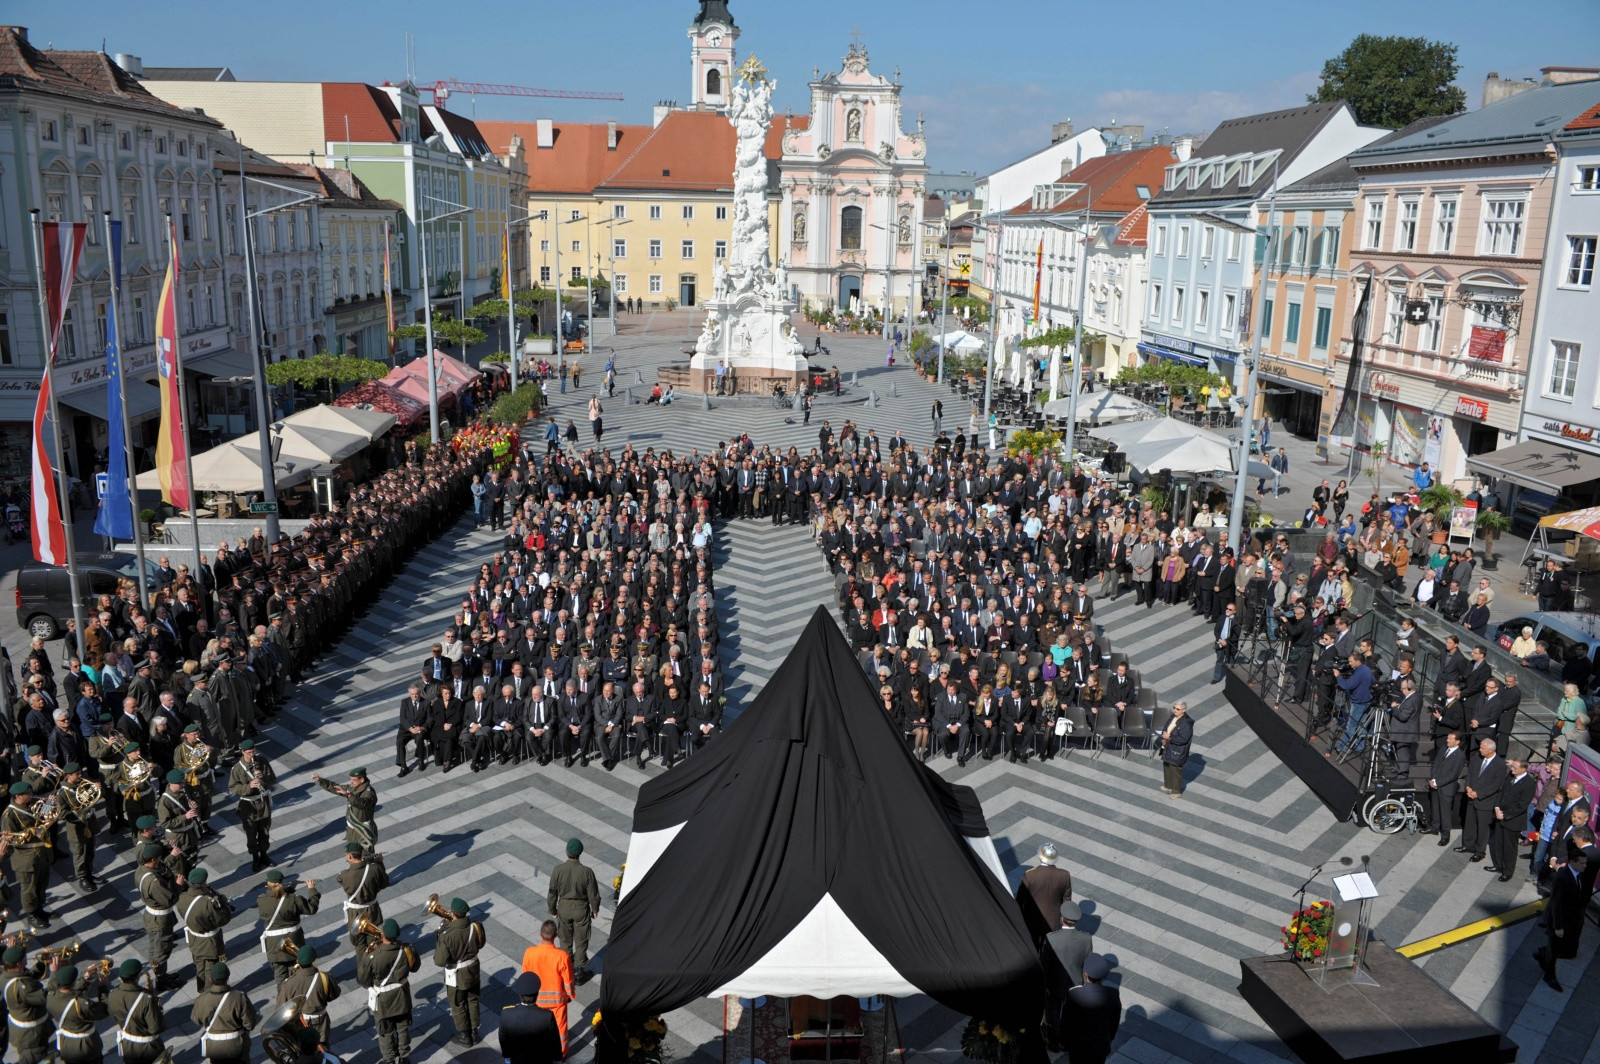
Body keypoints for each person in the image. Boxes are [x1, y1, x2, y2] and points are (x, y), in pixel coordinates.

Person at [356, 918, 420, 1064]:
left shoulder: (373, 956)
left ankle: (389, 1059)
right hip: (402, 995)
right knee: (403, 1027)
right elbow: (415, 967)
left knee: (385, 1031)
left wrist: (365, 957)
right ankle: (404, 1057)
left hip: (383, 999)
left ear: (383, 934)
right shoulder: (407, 949)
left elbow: (363, 981)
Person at [1040, 899, 1093, 1050]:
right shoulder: (1086, 939)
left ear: (1062, 918)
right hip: (1075, 984)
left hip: (1054, 984)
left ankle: (1053, 1042)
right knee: (1071, 1015)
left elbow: (1045, 965)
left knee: (1053, 1013)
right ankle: (1068, 1041)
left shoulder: (1051, 938)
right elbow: (1087, 964)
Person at [1534, 847, 1589, 992]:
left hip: (1570, 919)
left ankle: (1542, 953)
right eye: (1582, 863)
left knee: (1557, 946)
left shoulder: (1578, 874)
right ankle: (1549, 975)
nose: (1585, 866)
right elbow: (1556, 904)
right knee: (1555, 949)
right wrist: (1558, 926)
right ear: (1572, 862)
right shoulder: (1563, 878)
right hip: (1559, 921)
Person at [548, 837, 602, 983]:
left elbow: (552, 892)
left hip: (564, 908)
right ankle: (579, 973)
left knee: (565, 940)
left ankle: (566, 969)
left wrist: (552, 908)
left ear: (567, 852)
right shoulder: (587, 872)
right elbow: (593, 893)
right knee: (581, 940)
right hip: (581, 909)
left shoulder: (558, 870)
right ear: (580, 853)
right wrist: (595, 908)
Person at [434, 897, 486, 1047]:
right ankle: (475, 1033)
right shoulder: (476, 926)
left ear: (453, 913)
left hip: (456, 975)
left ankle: (464, 1035)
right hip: (473, 969)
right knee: (473, 1000)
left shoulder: (447, 934)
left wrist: (438, 939)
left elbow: (439, 961)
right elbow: (481, 944)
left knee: (458, 1003)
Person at [257, 869, 320, 991]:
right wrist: (312, 890)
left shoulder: (261, 900)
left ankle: (283, 998)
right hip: (294, 941)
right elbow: (311, 908)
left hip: (273, 944)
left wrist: (290, 889)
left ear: (267, 883)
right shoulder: (294, 899)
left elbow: (277, 899)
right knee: (295, 971)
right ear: (282, 882)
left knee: (280, 976)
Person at [3, 780, 53, 930]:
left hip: (42, 853)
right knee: (29, 889)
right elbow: (10, 839)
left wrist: (49, 804)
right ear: (18, 796)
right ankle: (31, 914)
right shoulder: (9, 815)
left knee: (42, 884)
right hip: (26, 859)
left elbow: (44, 818)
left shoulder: (32, 804)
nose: (31, 795)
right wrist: (29, 833)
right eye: (28, 794)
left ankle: (40, 909)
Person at [520, 920, 575, 1054]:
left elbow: (525, 975)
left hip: (536, 1000)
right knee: (560, 1029)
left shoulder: (529, 953)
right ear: (555, 935)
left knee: (538, 1028)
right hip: (557, 1001)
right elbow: (568, 980)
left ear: (540, 934)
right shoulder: (562, 956)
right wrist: (570, 995)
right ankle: (561, 1053)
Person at [177, 866, 233, 994]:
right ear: (203, 884)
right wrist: (224, 904)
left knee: (199, 966)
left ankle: (201, 989)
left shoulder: (183, 897)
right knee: (210, 968)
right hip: (209, 941)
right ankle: (209, 993)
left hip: (194, 938)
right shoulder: (208, 903)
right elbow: (223, 920)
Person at [191, 962, 258, 1064]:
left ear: (210, 979)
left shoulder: (202, 999)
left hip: (214, 1048)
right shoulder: (239, 996)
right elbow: (250, 1024)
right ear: (227, 978)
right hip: (237, 1046)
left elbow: (196, 1019)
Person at [1060, 953, 1121, 1064]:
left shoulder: (1074, 994)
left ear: (1086, 973)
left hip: (1077, 1048)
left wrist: (1063, 1041)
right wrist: (1110, 1038)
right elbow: (1114, 1022)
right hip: (1100, 1047)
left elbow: (1066, 1023)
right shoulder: (1113, 994)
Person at [276, 946, 341, 1049]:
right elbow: (335, 994)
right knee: (323, 1046)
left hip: (300, 1023)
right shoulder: (324, 977)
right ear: (313, 959)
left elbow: (280, 1008)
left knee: (303, 1049)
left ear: (298, 961)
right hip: (320, 1020)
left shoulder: (288, 983)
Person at [106, 960, 168, 1064]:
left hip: (127, 1045)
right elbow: (155, 1029)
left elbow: (114, 1016)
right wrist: (159, 1011)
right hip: (148, 1048)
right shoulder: (146, 998)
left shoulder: (112, 994)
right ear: (137, 976)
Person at [2, 943, 56, 1064]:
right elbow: (46, 996)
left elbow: (28, 977)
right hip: (32, 1035)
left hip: (21, 1031)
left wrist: (42, 963)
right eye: (24, 958)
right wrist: (54, 974)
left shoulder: (5, 975)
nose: (27, 959)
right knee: (35, 1059)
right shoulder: (22, 987)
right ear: (19, 963)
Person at [47, 963, 110, 1064]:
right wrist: (103, 988)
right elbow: (104, 1010)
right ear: (73, 983)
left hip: (67, 1044)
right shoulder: (81, 1004)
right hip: (87, 1046)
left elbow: (71, 992)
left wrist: (86, 979)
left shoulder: (51, 997)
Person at [227, 739, 275, 870]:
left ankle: (264, 855)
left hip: (262, 802)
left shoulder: (262, 762)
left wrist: (263, 777)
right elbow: (232, 788)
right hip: (248, 805)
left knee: (264, 831)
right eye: (248, 753)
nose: (251, 755)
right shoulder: (237, 769)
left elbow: (272, 779)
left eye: (253, 752)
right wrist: (248, 787)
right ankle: (255, 858)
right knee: (251, 834)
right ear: (242, 752)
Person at [1457, 738, 1508, 862]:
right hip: (1471, 797)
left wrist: (1478, 794)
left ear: (1490, 750)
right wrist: (1468, 787)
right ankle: (1468, 845)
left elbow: (1496, 785)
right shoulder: (1476, 758)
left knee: (1482, 827)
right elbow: (1470, 774)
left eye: (1482, 748)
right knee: (1470, 823)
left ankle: (1480, 851)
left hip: (1485, 801)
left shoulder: (1500, 765)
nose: (1480, 750)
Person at [1015, 843, 1074, 949]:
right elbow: (1067, 900)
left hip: (1031, 919)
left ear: (1040, 857)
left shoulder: (1030, 875)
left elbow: (1020, 899)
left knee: (1033, 946)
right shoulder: (1064, 875)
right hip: (1054, 919)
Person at [311, 766, 378, 855]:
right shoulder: (353, 787)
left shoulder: (369, 793)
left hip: (363, 830)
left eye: (353, 780)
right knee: (353, 852)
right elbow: (337, 788)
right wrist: (321, 780)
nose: (351, 782)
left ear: (361, 779)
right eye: (351, 779)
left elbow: (363, 804)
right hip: (352, 828)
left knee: (365, 854)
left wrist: (348, 795)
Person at [499, 971, 563, 1064]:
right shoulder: (547, 1016)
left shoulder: (506, 1013)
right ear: (537, 995)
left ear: (520, 995)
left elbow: (503, 1038)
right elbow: (554, 1041)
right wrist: (557, 1058)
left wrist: (507, 1056)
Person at [1489, 759, 1536, 883]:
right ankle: (1498, 865)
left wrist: (1504, 815)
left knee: (1510, 847)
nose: (1512, 769)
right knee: (1498, 843)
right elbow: (1502, 792)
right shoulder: (1510, 776)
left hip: (1513, 820)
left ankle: (1508, 871)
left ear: (1523, 769)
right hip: (1500, 815)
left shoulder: (1529, 783)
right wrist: (1497, 808)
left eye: (1515, 767)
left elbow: (1522, 805)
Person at [338, 844, 389, 949]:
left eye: (347, 855)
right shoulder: (375, 869)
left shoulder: (344, 875)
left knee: (359, 944)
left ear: (351, 856)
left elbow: (340, 879)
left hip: (355, 913)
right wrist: (379, 862)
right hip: (372, 910)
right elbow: (384, 883)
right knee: (374, 942)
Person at [1428, 731, 1466, 848]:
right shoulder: (1444, 748)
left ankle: (1445, 836)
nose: (1447, 740)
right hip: (1435, 784)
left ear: (1457, 741)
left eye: (1450, 739)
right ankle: (1434, 827)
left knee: (1445, 813)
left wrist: (1438, 783)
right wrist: (1433, 779)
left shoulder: (1460, 756)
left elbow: (1453, 775)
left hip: (1446, 788)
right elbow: (1436, 764)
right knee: (1435, 808)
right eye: (1447, 738)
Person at [1159, 701, 1193, 797]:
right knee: (1166, 765)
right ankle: (1168, 785)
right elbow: (1166, 727)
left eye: (1178, 709)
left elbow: (1183, 739)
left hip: (1177, 749)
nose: (1175, 710)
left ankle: (1176, 791)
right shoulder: (1173, 716)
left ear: (1184, 710)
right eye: (1174, 708)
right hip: (1168, 746)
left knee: (1175, 770)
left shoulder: (1186, 723)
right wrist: (1164, 734)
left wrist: (1169, 738)